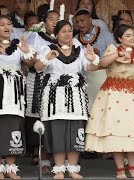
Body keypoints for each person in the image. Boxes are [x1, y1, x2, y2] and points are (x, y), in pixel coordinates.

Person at [85, 24, 134, 179]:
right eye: (128, 35)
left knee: (133, 132)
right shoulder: (112, 49)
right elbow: (102, 64)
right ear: (119, 38)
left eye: (133, 35)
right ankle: (120, 169)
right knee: (116, 132)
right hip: (115, 96)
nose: (132, 38)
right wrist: (119, 53)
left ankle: (132, 168)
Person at [34, 20, 100, 179]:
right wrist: (47, 58)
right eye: (63, 31)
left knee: (75, 131)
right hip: (55, 97)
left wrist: (92, 58)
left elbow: (90, 68)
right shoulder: (48, 49)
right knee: (58, 131)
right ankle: (59, 169)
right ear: (56, 34)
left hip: (76, 97)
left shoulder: (80, 50)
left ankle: (73, 168)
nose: (67, 34)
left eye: (69, 30)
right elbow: (37, 67)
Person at [0, 15, 38, 179]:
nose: (6, 27)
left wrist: (26, 51)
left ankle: (11, 168)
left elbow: (32, 64)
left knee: (13, 126)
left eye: (8, 24)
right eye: (1, 25)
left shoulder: (17, 46)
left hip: (14, 93)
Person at [25, 7, 60, 172]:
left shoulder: (66, 38)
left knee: (55, 118)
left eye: (57, 18)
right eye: (51, 19)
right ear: (44, 22)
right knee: (38, 117)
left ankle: (57, 156)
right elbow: (28, 61)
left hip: (57, 83)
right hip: (38, 80)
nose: (55, 22)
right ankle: (41, 155)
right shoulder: (35, 37)